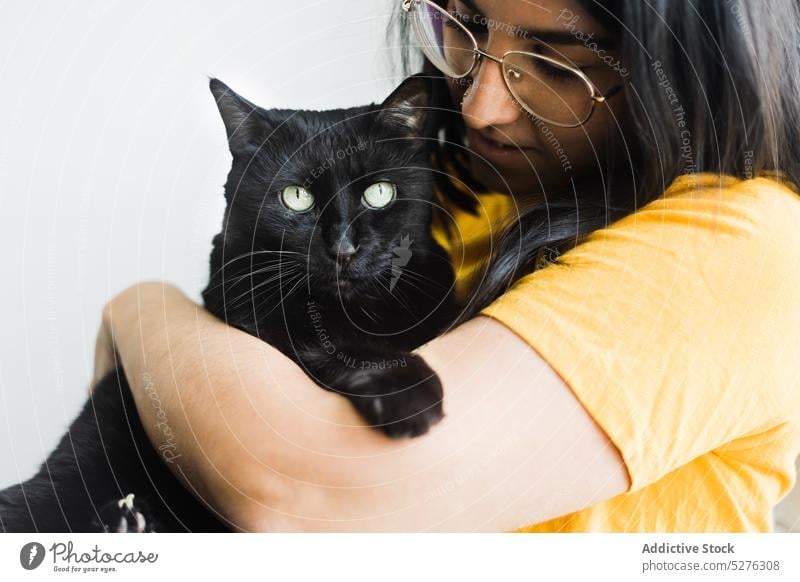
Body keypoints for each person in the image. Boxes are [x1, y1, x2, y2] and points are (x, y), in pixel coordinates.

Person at [94, 0, 800, 531]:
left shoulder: (742, 240)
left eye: (554, 66)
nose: (479, 105)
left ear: (681, 68)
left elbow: (302, 492)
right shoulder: (438, 205)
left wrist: (139, 312)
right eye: (462, 26)